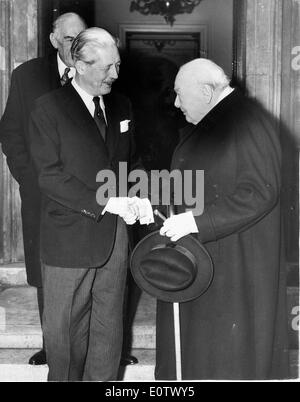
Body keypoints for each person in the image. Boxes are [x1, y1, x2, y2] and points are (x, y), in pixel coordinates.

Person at [28, 27, 150, 382]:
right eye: (105, 67)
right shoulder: (48, 108)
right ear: (79, 64)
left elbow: (132, 161)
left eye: (117, 65)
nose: (114, 74)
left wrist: (140, 194)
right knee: (65, 338)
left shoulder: (121, 104)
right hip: (69, 241)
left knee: (109, 331)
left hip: (114, 240)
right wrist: (108, 203)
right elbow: (49, 177)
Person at [158, 59, 289, 380]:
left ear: (205, 91)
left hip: (236, 265)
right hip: (213, 259)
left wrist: (195, 223)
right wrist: (153, 204)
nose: (175, 103)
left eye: (179, 94)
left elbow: (260, 192)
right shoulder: (218, 119)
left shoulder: (247, 120)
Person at [0, 12, 87, 366]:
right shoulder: (28, 76)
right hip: (42, 195)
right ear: (53, 40)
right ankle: (53, 345)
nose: (77, 47)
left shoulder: (100, 69)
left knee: (95, 267)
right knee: (45, 268)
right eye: (69, 40)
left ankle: (98, 345)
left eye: (81, 39)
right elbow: (11, 133)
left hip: (90, 194)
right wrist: (31, 180)